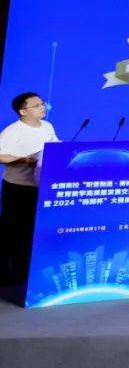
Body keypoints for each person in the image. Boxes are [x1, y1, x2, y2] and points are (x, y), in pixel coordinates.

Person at [0, 92, 59, 284]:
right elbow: (1, 156)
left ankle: (30, 270)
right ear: (23, 111)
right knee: (15, 231)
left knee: (34, 230)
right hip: (18, 188)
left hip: (41, 187)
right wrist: (23, 160)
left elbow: (54, 147)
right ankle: (11, 275)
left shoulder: (47, 126)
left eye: (42, 103)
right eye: (36, 105)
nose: (42, 107)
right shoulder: (12, 131)